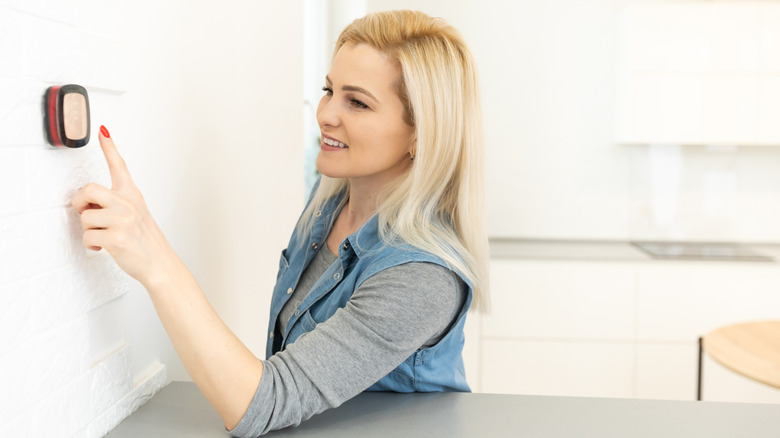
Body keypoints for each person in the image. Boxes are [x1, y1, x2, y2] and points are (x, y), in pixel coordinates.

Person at [72, 9, 488, 437]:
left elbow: (261, 404)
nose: (325, 114)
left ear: (422, 133)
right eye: (330, 90)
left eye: (357, 102)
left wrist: (154, 260)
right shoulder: (327, 205)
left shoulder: (421, 277)